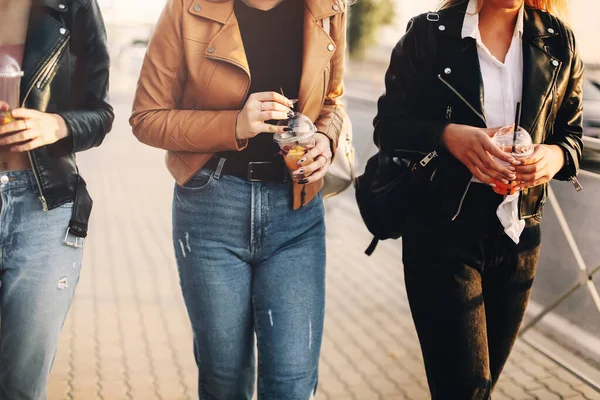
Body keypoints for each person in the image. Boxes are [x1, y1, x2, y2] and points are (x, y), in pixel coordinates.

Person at [130, 0, 346, 398]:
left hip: (297, 214)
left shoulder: (326, 7)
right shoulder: (186, 8)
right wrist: (234, 123)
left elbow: (332, 100)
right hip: (211, 210)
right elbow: (146, 117)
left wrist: (325, 138)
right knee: (224, 380)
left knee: (292, 384)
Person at [374, 0, 583, 398]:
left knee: (479, 389)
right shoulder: (429, 34)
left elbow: (571, 136)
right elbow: (389, 128)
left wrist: (552, 158)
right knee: (466, 391)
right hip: (441, 234)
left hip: (519, 236)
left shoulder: (558, 41)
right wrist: (447, 136)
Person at [0, 0, 113, 398]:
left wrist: (57, 124)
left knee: (21, 387)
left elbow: (101, 114)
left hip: (43, 208)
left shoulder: (73, 7)